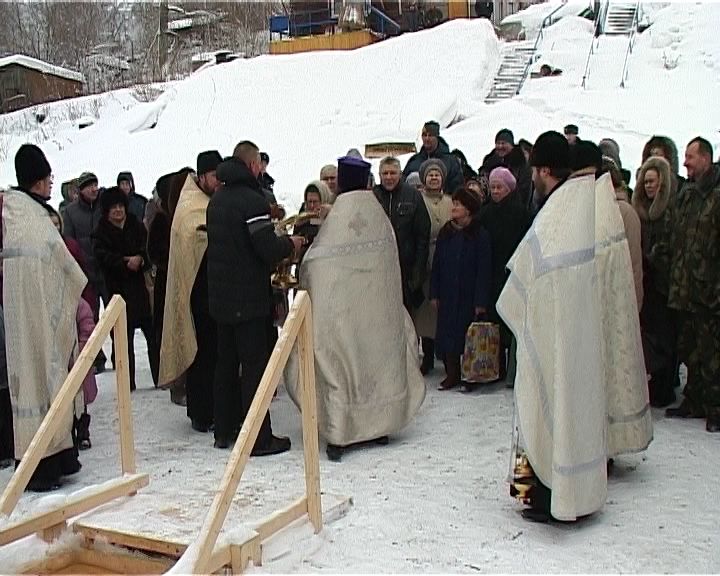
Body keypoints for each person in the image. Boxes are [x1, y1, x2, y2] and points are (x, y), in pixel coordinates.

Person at [498, 131, 651, 522]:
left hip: (556, 335)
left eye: (535, 169)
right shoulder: (578, 204)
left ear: (544, 169)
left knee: (550, 412)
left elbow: (530, 273)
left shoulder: (560, 211)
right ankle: (560, 492)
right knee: (570, 413)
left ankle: (548, 496)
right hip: (572, 334)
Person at [284, 156, 426, 462]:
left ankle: (341, 432)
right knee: (376, 364)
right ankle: (380, 425)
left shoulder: (340, 217)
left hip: (342, 315)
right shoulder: (377, 214)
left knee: (342, 366)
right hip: (377, 313)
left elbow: (314, 263)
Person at [207, 141, 303, 454]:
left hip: (221, 299)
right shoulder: (252, 200)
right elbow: (265, 247)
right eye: (260, 163)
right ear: (252, 165)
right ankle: (259, 438)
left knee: (225, 363)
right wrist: (290, 243)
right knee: (254, 368)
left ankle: (224, 429)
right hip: (247, 300)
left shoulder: (217, 199)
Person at [2, 144, 86, 491]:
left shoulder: (23, 213)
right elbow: (61, 265)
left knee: (46, 382)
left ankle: (59, 455)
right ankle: (41, 466)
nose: (52, 183)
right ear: (36, 179)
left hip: (35, 312)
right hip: (35, 315)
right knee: (40, 382)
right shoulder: (29, 217)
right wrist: (77, 282)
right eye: (48, 177)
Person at [160, 151, 223, 433]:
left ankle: (209, 408)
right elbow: (193, 235)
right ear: (202, 176)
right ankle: (201, 413)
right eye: (214, 177)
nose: (219, 182)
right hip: (197, 292)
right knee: (203, 354)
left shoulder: (202, 200)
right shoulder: (190, 206)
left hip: (208, 287)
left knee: (212, 352)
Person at [665, 137, 720, 432]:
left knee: (713, 354)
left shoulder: (717, 196)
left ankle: (716, 406)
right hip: (683, 290)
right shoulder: (686, 195)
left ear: (706, 159)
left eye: (690, 157)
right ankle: (695, 400)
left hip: (710, 293)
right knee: (689, 349)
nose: (684, 162)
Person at [93, 187, 156, 392]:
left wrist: (140, 259)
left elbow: (148, 249)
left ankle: (159, 377)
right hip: (117, 292)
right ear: (107, 211)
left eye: (121, 206)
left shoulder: (136, 226)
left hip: (140, 291)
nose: (118, 211)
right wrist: (123, 262)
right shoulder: (100, 232)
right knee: (122, 342)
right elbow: (102, 257)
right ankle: (126, 383)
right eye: (114, 208)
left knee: (153, 337)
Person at [431, 187, 491, 391]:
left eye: (458, 204)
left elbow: (484, 269)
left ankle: (469, 375)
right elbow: (437, 265)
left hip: (468, 293)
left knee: (466, 335)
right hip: (448, 292)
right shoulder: (446, 232)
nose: (454, 207)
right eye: (453, 203)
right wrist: (435, 293)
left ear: (469, 209)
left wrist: (480, 301)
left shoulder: (479, 234)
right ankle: (452, 374)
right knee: (447, 334)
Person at [478, 167, 531, 382]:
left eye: (500, 187)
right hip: (492, 274)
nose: (496, 191)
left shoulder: (522, 214)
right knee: (495, 321)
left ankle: (514, 369)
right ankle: (496, 366)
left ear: (509, 188)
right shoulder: (485, 214)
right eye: (492, 187)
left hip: (514, 272)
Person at [632, 156, 677, 407]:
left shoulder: (670, 211)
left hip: (664, 283)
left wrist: (653, 259)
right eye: (645, 182)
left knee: (664, 338)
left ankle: (664, 387)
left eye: (653, 181)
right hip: (646, 282)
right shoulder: (638, 211)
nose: (648, 186)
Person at [373, 156, 431, 312]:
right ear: (379, 175)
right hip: (378, 272)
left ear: (400, 174)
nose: (389, 177)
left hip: (407, 272)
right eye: (385, 173)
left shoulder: (413, 196)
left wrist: (418, 274)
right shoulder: (373, 197)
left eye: (393, 173)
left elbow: (422, 236)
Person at [63, 171, 106, 373]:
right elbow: (69, 242)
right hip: (85, 275)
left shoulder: (102, 207)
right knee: (91, 318)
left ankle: (120, 354)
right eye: (90, 186)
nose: (94, 189)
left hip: (105, 270)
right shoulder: (70, 212)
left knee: (115, 315)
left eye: (95, 185)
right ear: (81, 190)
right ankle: (96, 358)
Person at [413, 159, 452, 375]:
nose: (434, 178)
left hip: (446, 256)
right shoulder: (418, 200)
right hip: (425, 256)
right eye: (430, 174)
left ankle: (446, 355)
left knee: (444, 309)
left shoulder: (450, 201)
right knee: (426, 311)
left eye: (437, 174)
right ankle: (427, 355)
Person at [402, 121, 464, 194]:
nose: (427, 139)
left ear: (437, 137)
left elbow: (457, 187)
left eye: (430, 135)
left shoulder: (451, 161)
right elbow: (403, 183)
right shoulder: (414, 160)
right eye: (424, 135)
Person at [479, 129, 533, 208]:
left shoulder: (520, 162)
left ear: (511, 145)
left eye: (503, 143)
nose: (500, 146)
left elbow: (524, 190)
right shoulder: (489, 162)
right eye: (498, 143)